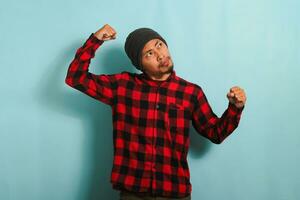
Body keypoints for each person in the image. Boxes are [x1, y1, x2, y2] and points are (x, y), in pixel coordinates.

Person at [65, 24, 247, 200]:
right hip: (133, 194)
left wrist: (235, 108)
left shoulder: (191, 92)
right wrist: (95, 40)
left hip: (176, 193)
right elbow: (75, 77)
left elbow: (216, 132)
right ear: (140, 64)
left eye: (159, 45)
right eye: (149, 53)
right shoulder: (122, 87)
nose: (160, 55)